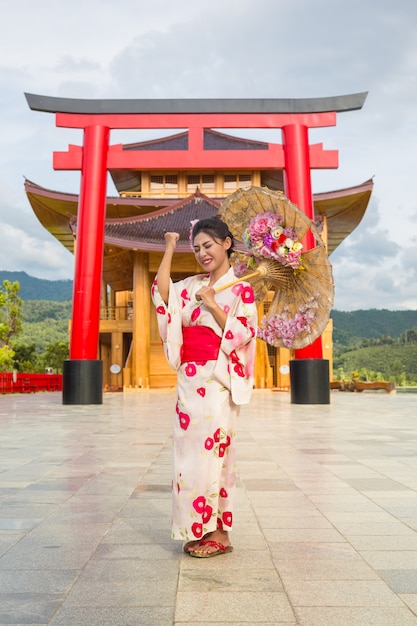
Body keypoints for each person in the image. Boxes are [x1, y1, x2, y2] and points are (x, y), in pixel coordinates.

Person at [151, 216, 258, 558]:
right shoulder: (192, 285)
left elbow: (243, 334)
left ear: (227, 243)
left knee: (214, 457)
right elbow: (162, 293)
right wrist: (170, 246)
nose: (202, 253)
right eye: (196, 248)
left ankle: (219, 534)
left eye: (208, 245)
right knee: (188, 458)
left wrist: (212, 304)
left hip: (216, 380)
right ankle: (197, 527)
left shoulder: (241, 289)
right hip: (189, 383)